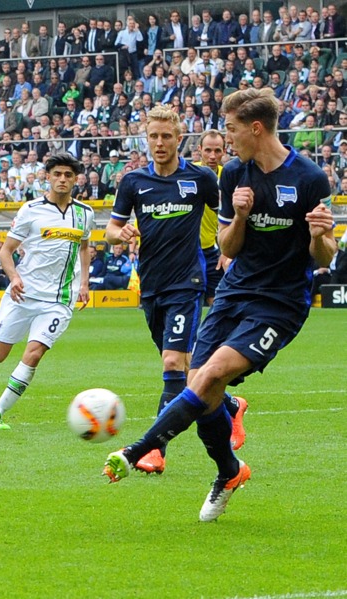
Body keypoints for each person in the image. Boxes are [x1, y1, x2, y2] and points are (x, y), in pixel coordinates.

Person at [104, 88, 337, 522]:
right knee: (201, 383)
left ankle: (138, 449)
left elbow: (323, 257)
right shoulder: (233, 174)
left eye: (230, 129)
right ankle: (229, 470)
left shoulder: (309, 179)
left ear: (255, 128)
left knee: (209, 374)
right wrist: (242, 215)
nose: (225, 140)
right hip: (234, 291)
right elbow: (226, 243)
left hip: (280, 303)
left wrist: (320, 233)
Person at [107, 105, 246, 476]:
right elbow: (110, 228)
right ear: (146, 137)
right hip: (151, 284)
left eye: (166, 136)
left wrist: (228, 251)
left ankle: (155, 449)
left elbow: (227, 216)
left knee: (172, 362)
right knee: (182, 371)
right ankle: (230, 405)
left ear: (179, 138)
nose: (159, 143)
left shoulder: (199, 179)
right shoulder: (133, 182)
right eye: (153, 136)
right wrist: (118, 234)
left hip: (188, 281)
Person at [0, 153, 94, 430]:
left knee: (33, 354)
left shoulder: (85, 213)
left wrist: (84, 283)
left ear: (76, 179)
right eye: (57, 174)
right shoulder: (30, 210)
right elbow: (5, 251)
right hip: (24, 293)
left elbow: (83, 247)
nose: (63, 179)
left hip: (59, 300)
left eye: (68, 175)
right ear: (48, 176)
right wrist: (14, 276)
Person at [192, 129, 227, 306]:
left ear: (224, 151)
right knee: (191, 300)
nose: (212, 156)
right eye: (208, 150)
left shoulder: (230, 175)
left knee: (216, 301)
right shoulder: (189, 174)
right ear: (200, 149)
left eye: (217, 151)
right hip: (190, 250)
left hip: (217, 250)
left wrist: (227, 251)